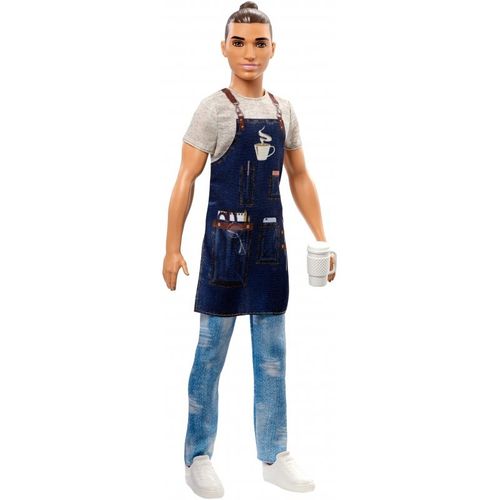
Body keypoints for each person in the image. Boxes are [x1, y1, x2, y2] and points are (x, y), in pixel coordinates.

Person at [162, 2, 336, 497]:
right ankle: (197, 456)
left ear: (273, 49)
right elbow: (185, 178)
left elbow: (300, 176)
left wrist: (321, 237)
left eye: (259, 43)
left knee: (273, 357)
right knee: (210, 354)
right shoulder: (213, 109)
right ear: (224, 48)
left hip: (269, 248)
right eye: (239, 42)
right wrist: (172, 248)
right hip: (224, 246)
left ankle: (274, 454)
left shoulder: (284, 110)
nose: (249, 53)